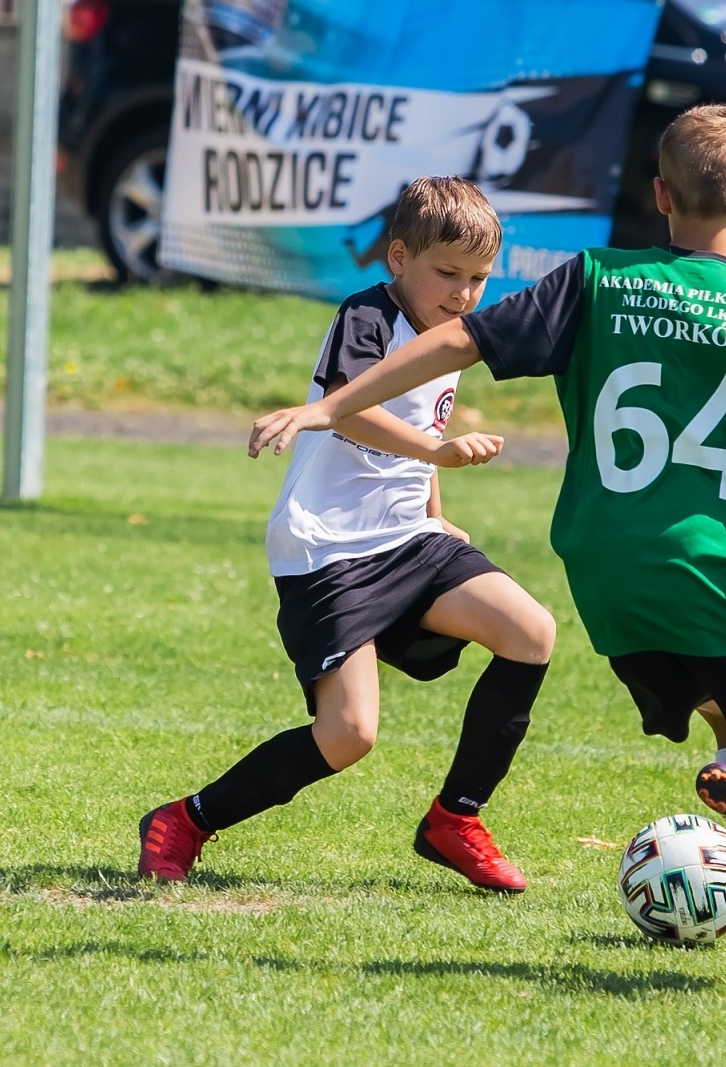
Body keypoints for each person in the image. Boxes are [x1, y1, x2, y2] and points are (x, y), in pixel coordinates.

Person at [249, 103, 726, 985]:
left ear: (659, 194)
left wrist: (331, 404)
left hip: (612, 581)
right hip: (725, 580)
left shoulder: (596, 280)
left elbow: (460, 341)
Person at [139, 177, 557, 894]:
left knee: (531, 631)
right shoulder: (368, 315)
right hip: (328, 548)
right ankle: (185, 819)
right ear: (399, 257)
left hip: (409, 538)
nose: (464, 293)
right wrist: (439, 454)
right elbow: (348, 409)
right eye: (447, 273)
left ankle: (456, 817)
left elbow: (424, 419)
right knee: (349, 735)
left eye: (479, 278)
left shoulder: (449, 336)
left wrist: (435, 507)